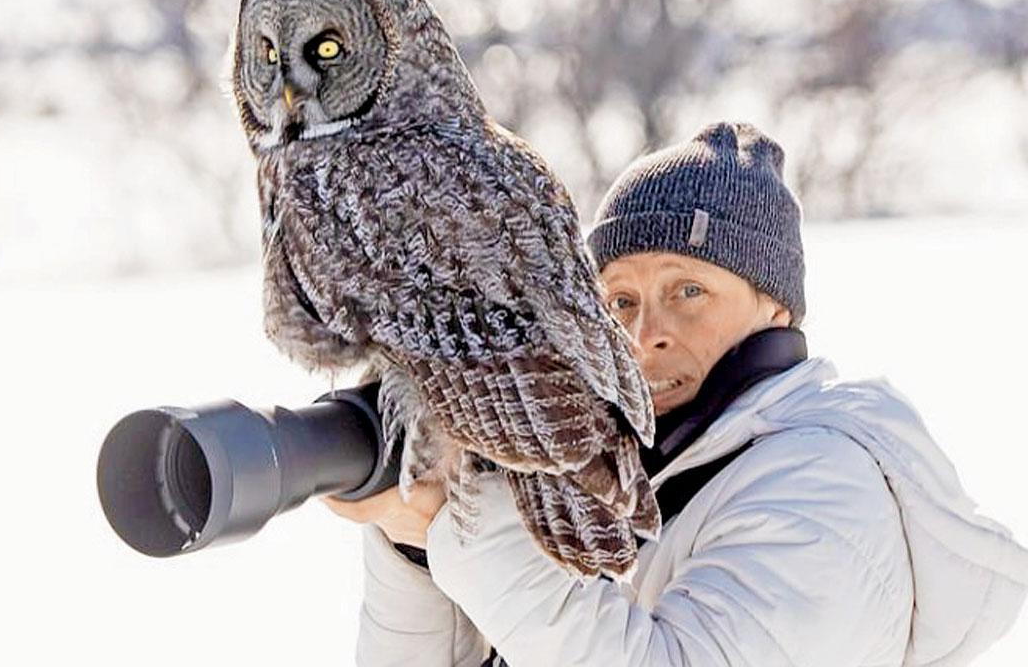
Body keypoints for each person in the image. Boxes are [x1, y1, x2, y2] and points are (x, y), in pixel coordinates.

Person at [322, 122, 1028, 666]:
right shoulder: (630, 479)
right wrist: (416, 547)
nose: (644, 333)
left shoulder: (823, 485)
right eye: (619, 299)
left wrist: (465, 531)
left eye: (688, 291)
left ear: (776, 310)